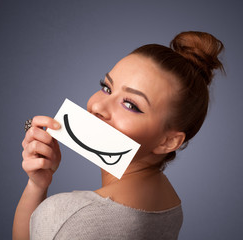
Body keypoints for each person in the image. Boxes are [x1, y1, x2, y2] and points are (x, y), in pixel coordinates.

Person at [13, 31, 224, 240]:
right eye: (107, 88)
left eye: (130, 104)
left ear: (168, 142)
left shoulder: (73, 215)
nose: (97, 106)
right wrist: (37, 184)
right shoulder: (168, 201)